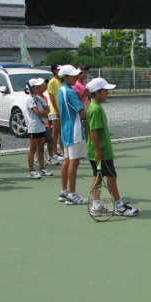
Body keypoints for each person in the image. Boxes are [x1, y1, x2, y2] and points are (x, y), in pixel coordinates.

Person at [86, 78, 139, 217]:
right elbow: (93, 131)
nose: (107, 93)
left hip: (97, 150)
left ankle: (96, 206)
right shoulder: (95, 109)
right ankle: (119, 206)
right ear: (97, 92)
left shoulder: (94, 106)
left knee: (97, 177)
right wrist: (98, 151)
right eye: (105, 91)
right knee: (111, 177)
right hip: (101, 151)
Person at [57, 65, 88, 205]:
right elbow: (81, 111)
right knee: (74, 162)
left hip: (66, 129)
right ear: (65, 77)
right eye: (73, 75)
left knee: (67, 160)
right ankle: (72, 195)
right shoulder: (70, 92)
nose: (76, 77)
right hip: (74, 130)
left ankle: (64, 192)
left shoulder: (61, 90)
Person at [25, 78, 53, 179]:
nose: (41, 87)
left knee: (41, 148)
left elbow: (48, 109)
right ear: (32, 88)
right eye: (38, 86)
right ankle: (31, 170)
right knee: (33, 149)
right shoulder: (29, 100)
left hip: (42, 127)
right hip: (34, 128)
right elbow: (37, 112)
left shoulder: (39, 99)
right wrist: (44, 113)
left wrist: (44, 112)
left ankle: (42, 168)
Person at [46, 63, 64, 161]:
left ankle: (63, 151)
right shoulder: (52, 82)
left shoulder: (62, 80)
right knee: (55, 131)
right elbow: (51, 97)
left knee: (61, 131)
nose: (60, 71)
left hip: (63, 110)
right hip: (56, 110)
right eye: (58, 69)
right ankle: (54, 152)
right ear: (54, 70)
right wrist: (56, 109)